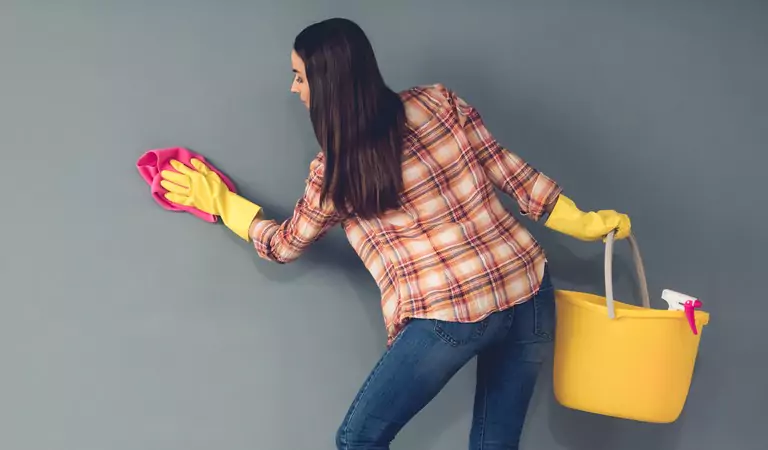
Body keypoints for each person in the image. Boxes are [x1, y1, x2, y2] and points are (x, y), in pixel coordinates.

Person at [159, 17, 631, 450]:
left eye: (300, 77)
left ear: (328, 84)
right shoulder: (438, 102)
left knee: (358, 440)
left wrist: (220, 203)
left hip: (451, 317)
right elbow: (515, 176)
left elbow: (283, 245)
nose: (293, 87)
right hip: (528, 290)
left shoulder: (334, 174)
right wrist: (585, 223)